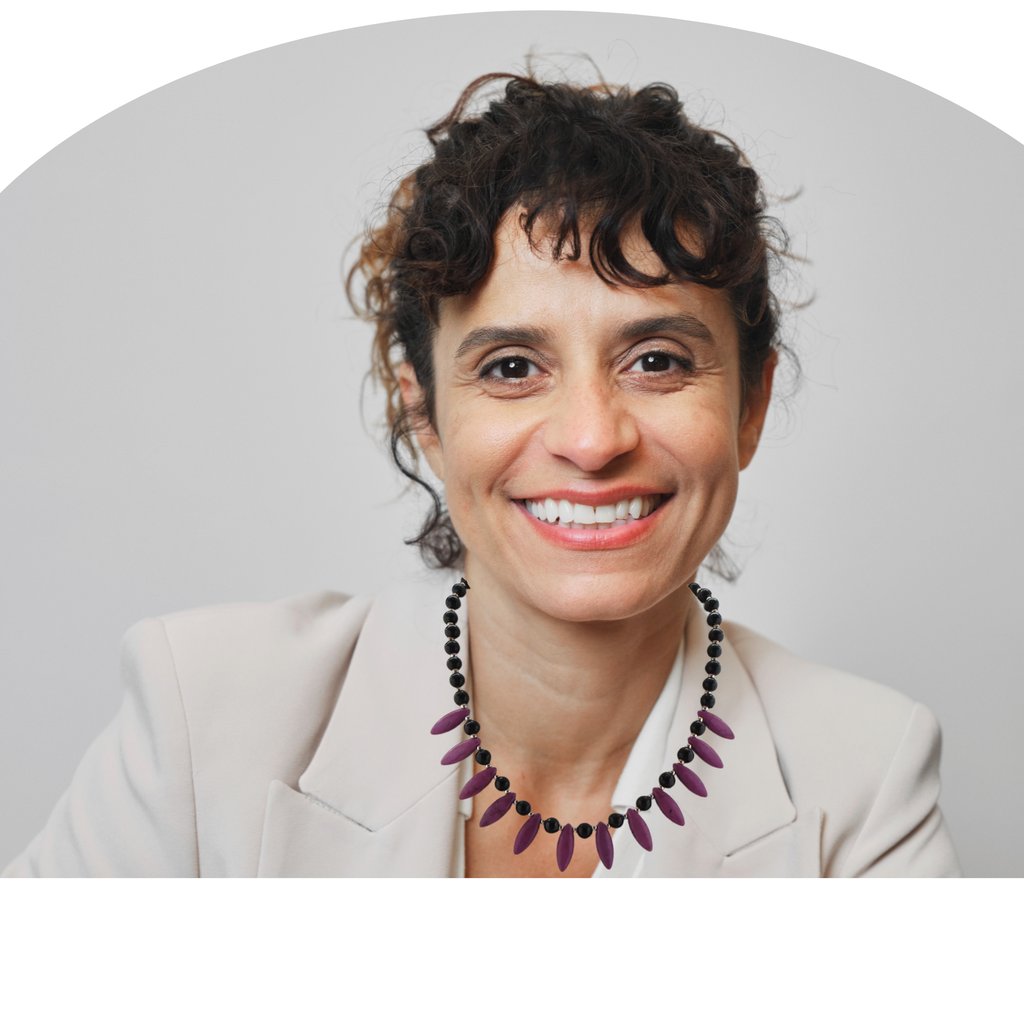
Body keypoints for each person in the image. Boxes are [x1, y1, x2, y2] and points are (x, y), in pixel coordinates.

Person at [3, 71, 961, 878]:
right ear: (422, 409)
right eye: (512, 368)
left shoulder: (865, 781)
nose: (591, 440)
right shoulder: (201, 713)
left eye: (658, 360)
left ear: (749, 406)